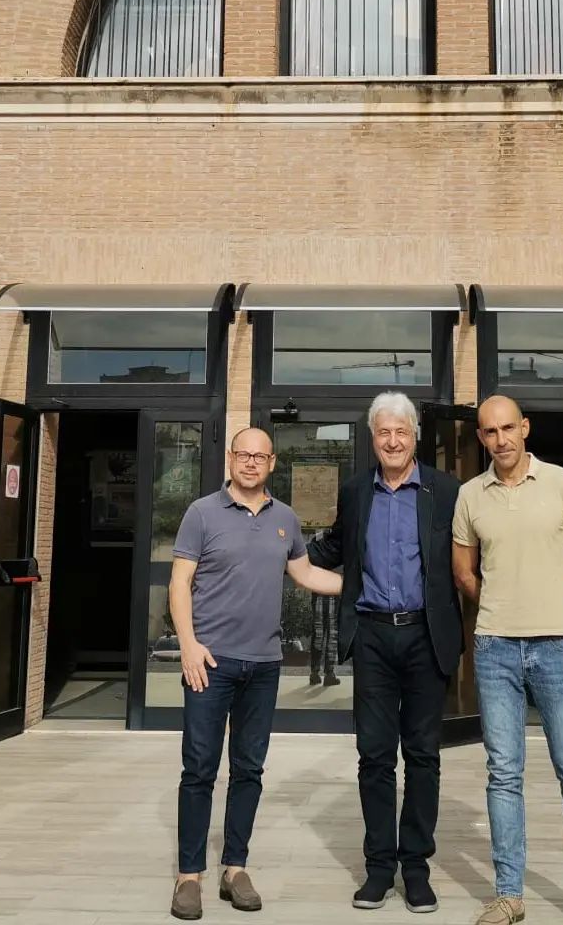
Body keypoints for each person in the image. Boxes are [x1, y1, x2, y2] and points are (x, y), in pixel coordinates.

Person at [451, 396, 563, 925]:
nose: (500, 439)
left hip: (558, 649)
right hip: (495, 647)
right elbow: (464, 573)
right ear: (480, 439)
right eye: (489, 432)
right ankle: (508, 896)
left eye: (508, 428)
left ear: (524, 428)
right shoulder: (468, 496)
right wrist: (504, 605)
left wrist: (553, 607)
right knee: (504, 773)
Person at [169, 426, 343, 920]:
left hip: (264, 665)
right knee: (199, 769)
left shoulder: (285, 518)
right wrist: (188, 646)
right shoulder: (201, 513)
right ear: (230, 458)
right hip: (210, 662)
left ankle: (235, 868)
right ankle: (188, 876)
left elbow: (307, 575)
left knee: (249, 769)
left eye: (259, 456)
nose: (250, 462)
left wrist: (366, 585)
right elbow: (180, 583)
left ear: (272, 463)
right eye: (242, 454)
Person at [307, 391, 463, 913]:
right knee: (374, 757)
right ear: (373, 439)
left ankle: (415, 868)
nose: (392, 441)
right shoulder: (356, 492)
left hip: (425, 636)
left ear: (414, 436)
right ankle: (379, 868)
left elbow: (478, 550)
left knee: (422, 756)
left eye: (401, 431)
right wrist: (273, 543)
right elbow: (331, 548)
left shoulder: (446, 491)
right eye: (383, 433)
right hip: (372, 635)